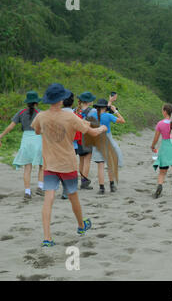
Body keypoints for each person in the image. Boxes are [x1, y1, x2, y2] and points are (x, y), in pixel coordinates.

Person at [31, 83, 108, 247]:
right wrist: (102, 128)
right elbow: (92, 132)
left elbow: (37, 130)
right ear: (61, 99)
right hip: (67, 164)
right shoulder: (71, 117)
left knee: (48, 199)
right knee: (73, 196)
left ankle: (47, 238)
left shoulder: (41, 116)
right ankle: (81, 226)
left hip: (50, 164)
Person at [0, 91, 44, 199]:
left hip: (26, 140)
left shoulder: (21, 112)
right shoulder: (41, 113)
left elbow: (11, 127)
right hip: (38, 139)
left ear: (27, 102)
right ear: (36, 102)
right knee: (42, 165)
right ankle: (40, 187)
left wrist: (1, 135)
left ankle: (27, 192)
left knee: (27, 167)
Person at [88, 98, 125, 194]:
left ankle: (101, 188)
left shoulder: (92, 115)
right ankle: (112, 185)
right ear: (106, 107)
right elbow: (122, 121)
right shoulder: (108, 116)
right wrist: (115, 111)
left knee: (100, 166)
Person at [74, 92, 96, 190]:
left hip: (78, 137)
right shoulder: (93, 111)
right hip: (87, 136)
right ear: (89, 101)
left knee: (81, 159)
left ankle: (82, 179)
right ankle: (84, 182)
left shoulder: (75, 110)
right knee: (87, 160)